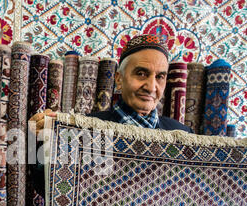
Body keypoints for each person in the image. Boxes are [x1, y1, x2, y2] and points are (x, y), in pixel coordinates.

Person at [29, 34, 192, 134]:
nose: (151, 87)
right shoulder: (83, 129)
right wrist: (39, 140)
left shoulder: (183, 136)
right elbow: (45, 184)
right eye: (141, 74)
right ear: (119, 79)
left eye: (160, 77)